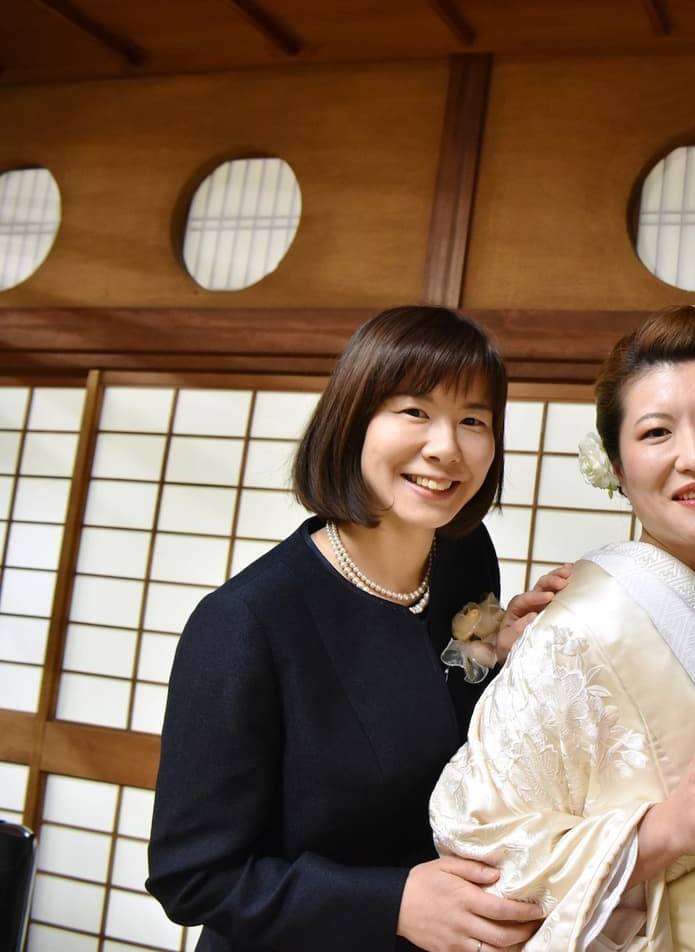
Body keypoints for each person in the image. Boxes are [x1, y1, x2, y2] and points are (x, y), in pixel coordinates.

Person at [147, 306, 568, 952]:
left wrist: (505, 652)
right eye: (415, 411)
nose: (446, 447)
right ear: (354, 418)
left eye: (473, 420)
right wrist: (393, 903)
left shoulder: (465, 554)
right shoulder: (244, 624)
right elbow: (193, 876)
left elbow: (442, 718)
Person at [429, 306, 695, 951]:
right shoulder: (567, 628)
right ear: (616, 464)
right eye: (656, 433)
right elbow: (482, 840)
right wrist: (665, 830)